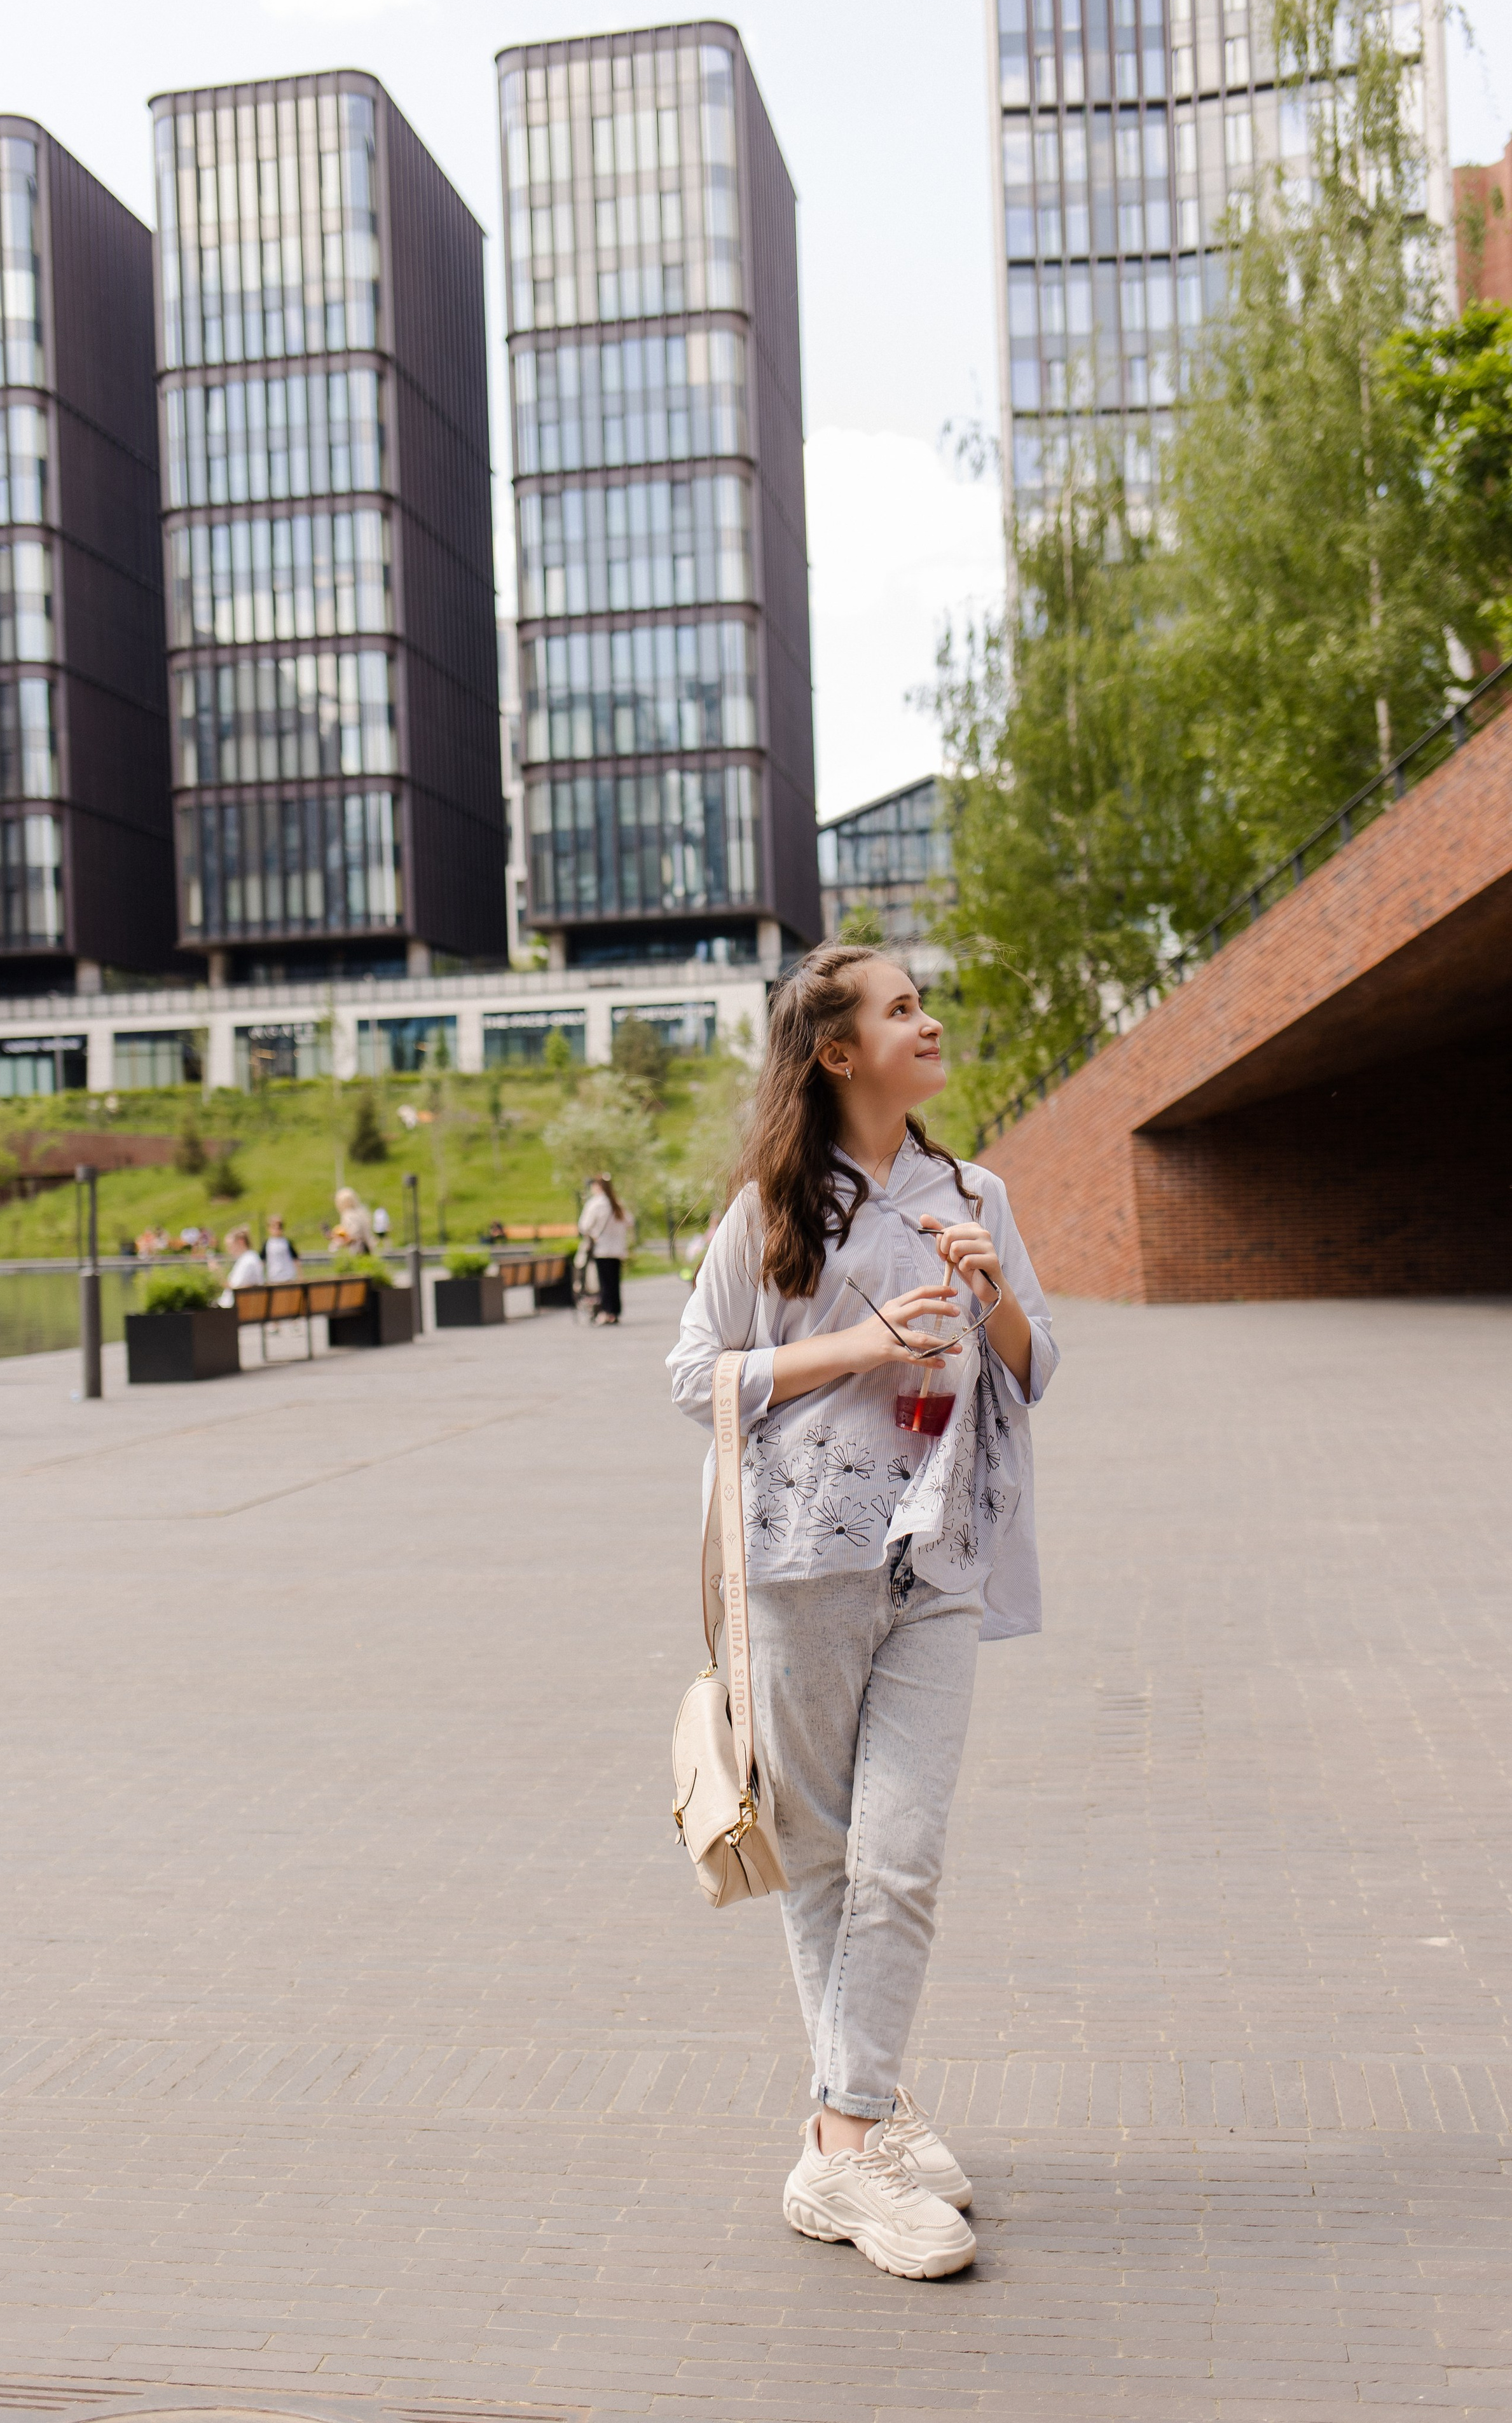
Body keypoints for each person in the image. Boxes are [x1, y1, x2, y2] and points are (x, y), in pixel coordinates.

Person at [667, 943, 1057, 2282]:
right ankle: (864, 2125)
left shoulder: (973, 1191)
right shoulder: (774, 1205)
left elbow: (1038, 1364)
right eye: (901, 1009)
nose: (927, 1020)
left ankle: (843, 2134)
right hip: (797, 1563)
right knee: (825, 1863)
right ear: (838, 1054)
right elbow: (689, 1374)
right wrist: (859, 1343)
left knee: (900, 1858)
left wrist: (988, 1286)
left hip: (937, 1558)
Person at [577, 1174, 631, 1324]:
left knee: (604, 1282)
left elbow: (584, 1226)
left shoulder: (595, 1204)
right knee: (614, 1282)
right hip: (618, 1249)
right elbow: (629, 1222)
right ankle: (614, 1311)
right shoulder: (617, 1203)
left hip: (602, 1249)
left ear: (598, 1186)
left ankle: (606, 1312)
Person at [223, 1225, 265, 1298]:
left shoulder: (249, 1260)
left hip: (239, 1305)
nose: (229, 1250)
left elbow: (235, 1287)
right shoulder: (246, 1258)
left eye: (230, 1246)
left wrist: (218, 1274)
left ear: (241, 1241)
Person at [332, 1186, 374, 1254]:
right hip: (367, 1248)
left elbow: (353, 1235)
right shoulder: (361, 1212)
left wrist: (339, 1241)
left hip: (357, 1250)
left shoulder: (348, 1215)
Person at [263, 1216, 298, 1282]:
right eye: (274, 1227)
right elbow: (262, 1262)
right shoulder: (267, 1244)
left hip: (288, 1277)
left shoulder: (287, 1242)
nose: (276, 1230)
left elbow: (296, 1260)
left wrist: (300, 1276)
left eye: (279, 1227)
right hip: (273, 1278)